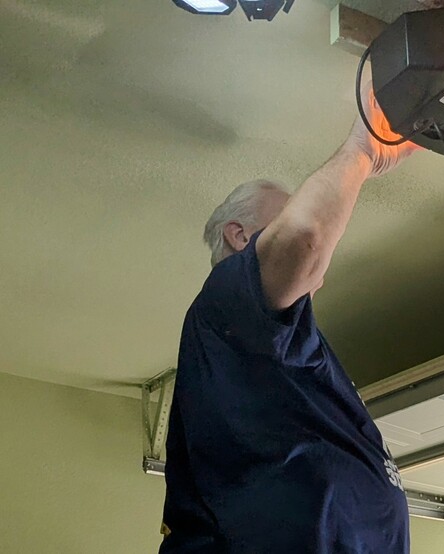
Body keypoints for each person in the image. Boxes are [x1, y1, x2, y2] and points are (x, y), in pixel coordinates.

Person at [159, 82, 419, 553]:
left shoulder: (288, 350)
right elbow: (303, 237)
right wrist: (363, 151)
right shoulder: (224, 300)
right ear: (240, 237)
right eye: (270, 228)